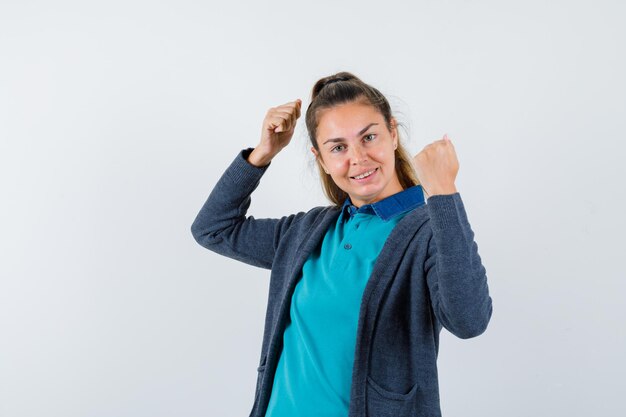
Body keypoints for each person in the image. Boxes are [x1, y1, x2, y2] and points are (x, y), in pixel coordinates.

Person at [191, 71, 493, 417]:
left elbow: (470, 321)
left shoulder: (427, 231)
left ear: (393, 133)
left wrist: (442, 193)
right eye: (338, 147)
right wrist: (262, 153)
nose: (358, 158)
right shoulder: (307, 231)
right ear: (320, 158)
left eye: (369, 137)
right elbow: (213, 228)